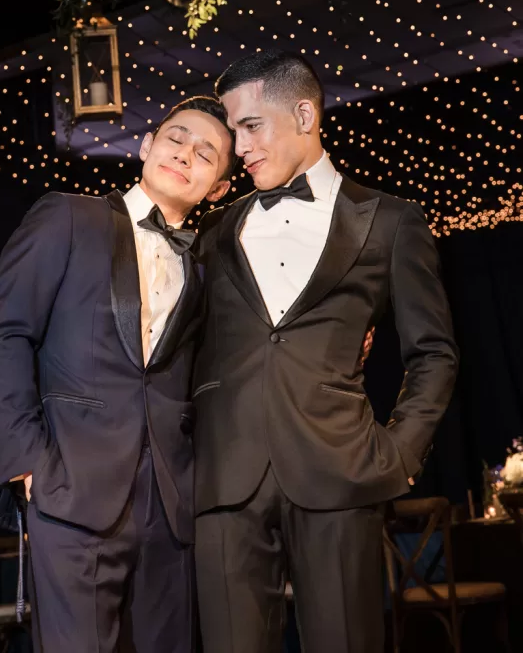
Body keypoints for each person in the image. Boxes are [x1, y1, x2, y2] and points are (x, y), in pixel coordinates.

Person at [192, 51, 459, 653]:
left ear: (305, 114)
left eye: (250, 126)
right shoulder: (213, 234)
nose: (239, 147)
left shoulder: (389, 222)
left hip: (340, 475)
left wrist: (401, 453)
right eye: (233, 132)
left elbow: (434, 353)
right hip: (226, 482)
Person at [0, 96, 234, 653]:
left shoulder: (208, 263)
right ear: (146, 145)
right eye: (175, 138)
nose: (185, 155)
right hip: (71, 490)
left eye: (206, 154)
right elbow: (6, 337)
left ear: (217, 188)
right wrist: (26, 463)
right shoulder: (69, 216)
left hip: (169, 504)